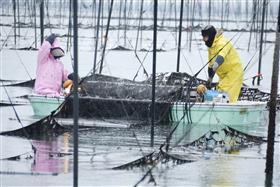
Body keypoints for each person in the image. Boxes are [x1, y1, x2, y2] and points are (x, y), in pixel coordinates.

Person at [201, 25, 243, 103]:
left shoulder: (222, 42)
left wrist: (217, 64)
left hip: (234, 72)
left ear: (210, 36)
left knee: (226, 95)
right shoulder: (211, 47)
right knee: (219, 92)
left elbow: (222, 55)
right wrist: (210, 78)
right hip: (224, 75)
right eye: (203, 37)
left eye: (205, 37)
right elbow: (211, 64)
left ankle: (229, 111)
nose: (203, 40)